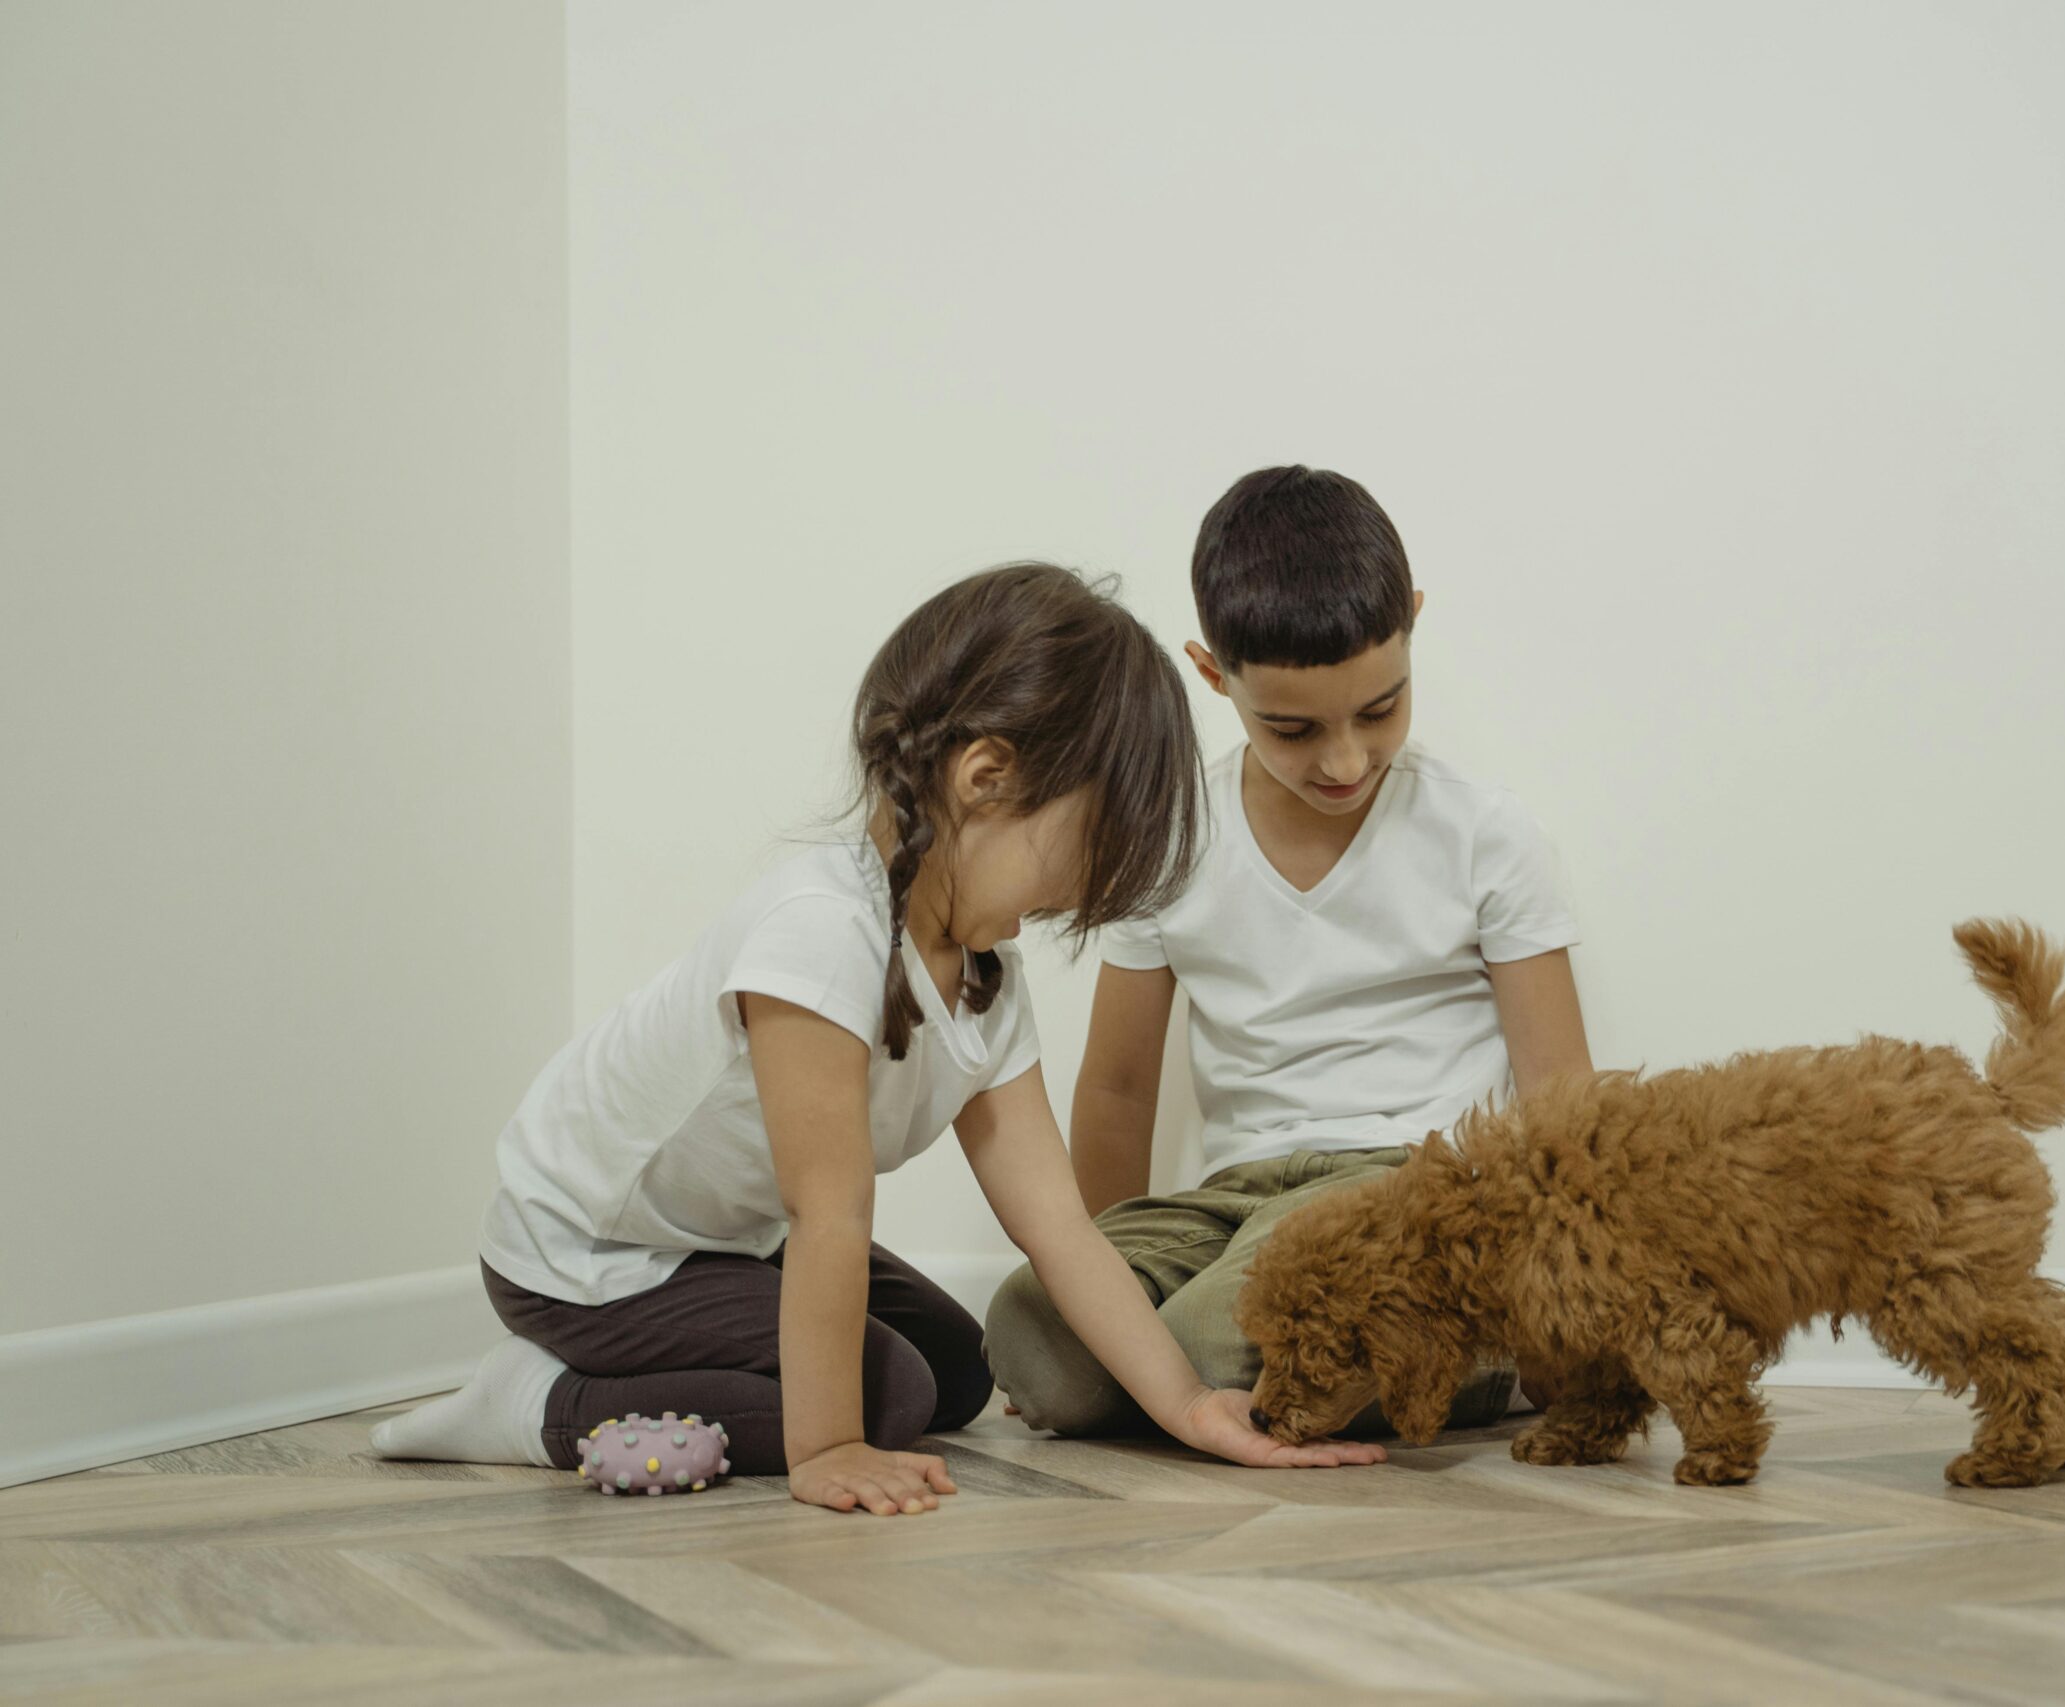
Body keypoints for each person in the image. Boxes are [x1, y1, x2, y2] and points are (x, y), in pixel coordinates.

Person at [373, 562, 1384, 1514]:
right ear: (985, 777)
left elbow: (1059, 1228)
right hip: (589, 1249)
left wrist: (1185, 1405)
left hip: (724, 1245)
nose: (1083, 892)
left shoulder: (988, 979)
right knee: (886, 1399)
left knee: (951, 1365)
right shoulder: (819, 931)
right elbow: (830, 1214)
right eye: (1089, 849)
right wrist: (827, 1452)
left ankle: (655, 1379)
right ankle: (541, 1402)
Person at [985, 470, 1593, 1436]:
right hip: (1236, 1200)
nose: (1346, 761)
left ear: (1414, 629)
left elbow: (1565, 1097)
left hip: (1418, 1181)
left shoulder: (1483, 833)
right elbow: (1116, 1089)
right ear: (1212, 672)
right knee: (1030, 1326)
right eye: (1293, 729)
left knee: (1214, 1339)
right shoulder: (1178, 838)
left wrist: (1569, 1320)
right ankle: (1225, 1380)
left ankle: (1471, 1348)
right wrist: (1102, 1285)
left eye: (1381, 709)